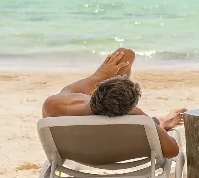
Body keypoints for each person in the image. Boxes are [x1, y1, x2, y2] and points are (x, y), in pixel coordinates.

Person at [42, 48, 186, 159]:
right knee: (153, 122)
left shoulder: (54, 106)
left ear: (96, 90)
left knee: (125, 54)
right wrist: (157, 124)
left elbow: (67, 92)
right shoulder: (137, 116)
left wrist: (98, 76)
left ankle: (161, 121)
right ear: (130, 108)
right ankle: (162, 121)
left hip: (78, 154)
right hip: (116, 154)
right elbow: (172, 150)